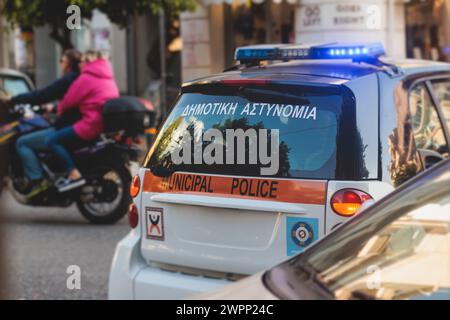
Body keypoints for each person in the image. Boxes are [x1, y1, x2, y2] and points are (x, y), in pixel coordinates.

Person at [6, 49, 82, 198]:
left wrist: (14, 99)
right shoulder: (82, 80)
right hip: (77, 124)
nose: (61, 63)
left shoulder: (68, 80)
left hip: (69, 126)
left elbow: (42, 95)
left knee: (22, 142)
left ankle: (38, 180)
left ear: (68, 63)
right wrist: (52, 108)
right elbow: (72, 104)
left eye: (62, 60)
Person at [47, 50, 119, 192]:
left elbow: (68, 101)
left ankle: (74, 174)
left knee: (52, 140)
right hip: (102, 124)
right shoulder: (108, 77)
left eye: (81, 61)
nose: (80, 64)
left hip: (89, 124)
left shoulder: (86, 78)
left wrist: (56, 109)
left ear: (88, 62)